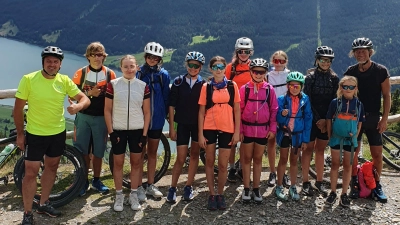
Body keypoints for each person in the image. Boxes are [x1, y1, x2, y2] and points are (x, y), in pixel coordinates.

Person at [14, 46, 90, 225]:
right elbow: (17, 109)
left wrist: (77, 107)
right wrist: (19, 134)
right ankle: (27, 213)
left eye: (56, 61)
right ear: (43, 62)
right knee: (31, 173)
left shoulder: (64, 81)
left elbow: (85, 99)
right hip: (35, 133)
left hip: (57, 133)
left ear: (60, 64)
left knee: (52, 167)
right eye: (48, 61)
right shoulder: (29, 79)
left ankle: (43, 203)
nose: (52, 64)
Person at [344, 37, 391, 203]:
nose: (360, 53)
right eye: (357, 51)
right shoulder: (351, 71)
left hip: (373, 117)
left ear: (370, 52)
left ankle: (377, 184)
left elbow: (386, 95)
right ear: (354, 53)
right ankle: (355, 183)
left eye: (364, 51)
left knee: (377, 154)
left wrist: (384, 119)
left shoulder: (380, 71)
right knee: (353, 154)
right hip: (354, 119)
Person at [104, 55, 150, 212]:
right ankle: (118, 195)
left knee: (136, 163)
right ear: (121, 68)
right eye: (126, 66)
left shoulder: (143, 86)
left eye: (132, 66)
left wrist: (144, 134)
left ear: (137, 67)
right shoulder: (113, 85)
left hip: (137, 130)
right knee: (118, 164)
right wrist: (111, 131)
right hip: (118, 129)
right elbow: (107, 110)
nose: (129, 69)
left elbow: (147, 112)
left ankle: (134, 194)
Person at [72, 42, 117, 196]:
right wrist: (90, 94)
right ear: (88, 57)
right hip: (84, 116)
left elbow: (114, 97)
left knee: (98, 152)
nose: (98, 58)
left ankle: (96, 180)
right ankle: (83, 181)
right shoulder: (81, 73)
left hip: (101, 118)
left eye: (100, 55)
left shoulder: (110, 74)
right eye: (94, 55)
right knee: (83, 151)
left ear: (104, 57)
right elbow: (72, 95)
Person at [198, 56, 241, 210]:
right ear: (211, 69)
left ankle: (220, 194)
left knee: (223, 165)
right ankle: (212, 194)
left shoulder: (232, 85)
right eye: (215, 66)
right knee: (209, 162)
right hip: (209, 127)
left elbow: (237, 109)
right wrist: (200, 134)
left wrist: (237, 132)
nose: (218, 69)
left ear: (225, 68)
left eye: (221, 66)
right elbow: (201, 112)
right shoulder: (206, 87)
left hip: (228, 127)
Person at [166, 51, 206, 203]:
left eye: (196, 66)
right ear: (186, 64)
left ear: (200, 67)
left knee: (194, 155)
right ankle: (172, 187)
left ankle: (188, 186)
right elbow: (171, 105)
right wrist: (171, 127)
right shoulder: (178, 82)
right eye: (190, 64)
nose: (193, 68)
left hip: (197, 125)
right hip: (181, 124)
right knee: (181, 158)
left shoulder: (204, 85)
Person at [239, 58, 278, 203]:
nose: (258, 74)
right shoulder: (245, 89)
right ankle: (246, 188)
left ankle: (256, 188)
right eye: (255, 71)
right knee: (246, 159)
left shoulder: (269, 89)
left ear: (265, 73)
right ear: (251, 72)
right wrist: (240, 130)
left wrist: (272, 128)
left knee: (258, 159)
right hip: (247, 129)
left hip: (262, 130)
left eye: (261, 72)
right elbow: (239, 110)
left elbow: (274, 110)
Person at [302, 46, 339, 197]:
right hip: (311, 119)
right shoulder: (310, 78)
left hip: (326, 120)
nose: (325, 63)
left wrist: (326, 120)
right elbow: (306, 99)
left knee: (320, 151)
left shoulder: (334, 78)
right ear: (317, 60)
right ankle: (305, 182)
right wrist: (319, 119)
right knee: (308, 150)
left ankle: (319, 181)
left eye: (328, 60)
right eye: (322, 60)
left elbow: (335, 101)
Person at [136, 42, 170, 200]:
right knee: (139, 153)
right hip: (140, 120)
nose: (152, 60)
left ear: (160, 59)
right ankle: (137, 186)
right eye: (150, 56)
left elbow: (166, 98)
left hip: (156, 120)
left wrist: (168, 117)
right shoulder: (138, 73)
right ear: (145, 57)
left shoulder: (163, 75)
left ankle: (150, 185)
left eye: (156, 58)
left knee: (152, 153)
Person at [325, 76, 365, 207]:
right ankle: (332, 192)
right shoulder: (334, 102)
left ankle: (344, 194)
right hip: (336, 137)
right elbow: (329, 120)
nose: (348, 89)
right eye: (345, 87)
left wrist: (356, 137)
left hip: (350, 139)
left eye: (351, 87)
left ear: (356, 88)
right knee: (335, 164)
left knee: (348, 166)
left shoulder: (359, 104)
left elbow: (359, 123)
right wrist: (330, 136)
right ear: (341, 88)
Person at [275, 72, 312, 201]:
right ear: (287, 86)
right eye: (292, 86)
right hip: (284, 133)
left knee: (294, 161)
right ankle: (279, 185)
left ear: (302, 86)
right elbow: (277, 119)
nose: (294, 88)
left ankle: (293, 186)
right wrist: (282, 114)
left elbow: (308, 119)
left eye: (297, 86)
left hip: (298, 134)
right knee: (283, 159)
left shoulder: (305, 99)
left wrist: (306, 139)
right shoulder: (281, 99)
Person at [224, 37, 253, 183]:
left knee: (244, 141)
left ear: (250, 52)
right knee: (232, 141)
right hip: (232, 108)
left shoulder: (254, 67)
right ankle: (231, 169)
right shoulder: (231, 68)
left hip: (249, 110)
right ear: (237, 51)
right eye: (240, 51)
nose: (243, 54)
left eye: (246, 51)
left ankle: (241, 167)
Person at [265, 50, 291, 187]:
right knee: (271, 143)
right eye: (276, 61)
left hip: (286, 112)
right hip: (272, 112)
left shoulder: (290, 75)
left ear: (286, 62)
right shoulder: (268, 76)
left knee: (284, 144)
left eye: (281, 61)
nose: (279, 64)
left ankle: (283, 172)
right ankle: (272, 172)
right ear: (272, 62)